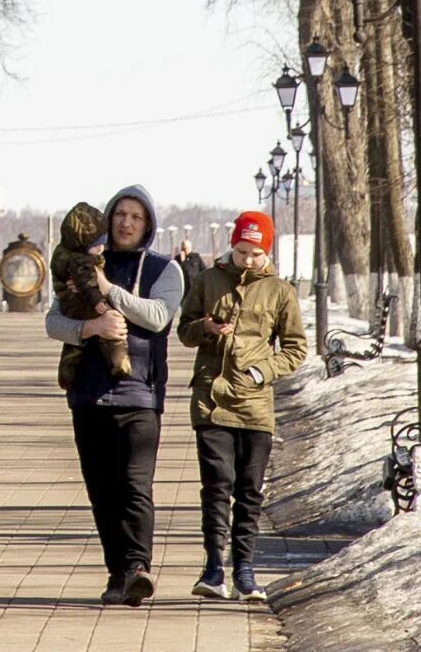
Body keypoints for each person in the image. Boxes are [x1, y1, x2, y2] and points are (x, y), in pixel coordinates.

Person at [48, 185, 182, 606]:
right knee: (101, 489)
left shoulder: (164, 269)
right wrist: (91, 329)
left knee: (134, 485)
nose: (126, 222)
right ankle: (117, 573)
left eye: (136, 217)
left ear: (148, 225)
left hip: (139, 393)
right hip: (88, 394)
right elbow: (54, 321)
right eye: (120, 214)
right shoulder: (81, 263)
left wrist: (108, 291)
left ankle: (139, 566)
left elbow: (158, 318)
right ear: (108, 219)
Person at [178, 211, 306, 603]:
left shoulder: (281, 291)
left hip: (255, 405)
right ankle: (214, 567)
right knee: (217, 485)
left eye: (254, 252)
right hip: (211, 401)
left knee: (249, 491)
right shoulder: (207, 280)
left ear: (265, 251)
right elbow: (184, 330)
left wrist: (260, 372)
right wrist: (206, 328)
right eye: (240, 251)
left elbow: (296, 348)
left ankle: (245, 571)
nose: (247, 259)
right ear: (231, 247)